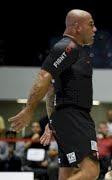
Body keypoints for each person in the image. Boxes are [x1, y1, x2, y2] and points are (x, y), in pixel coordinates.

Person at [8, 9, 99, 180]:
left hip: (67, 119)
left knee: (65, 174)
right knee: (91, 171)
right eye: (91, 25)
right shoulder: (67, 47)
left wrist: (53, 122)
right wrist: (29, 109)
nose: (95, 29)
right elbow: (43, 77)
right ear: (77, 27)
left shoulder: (76, 51)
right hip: (74, 118)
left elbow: (51, 90)